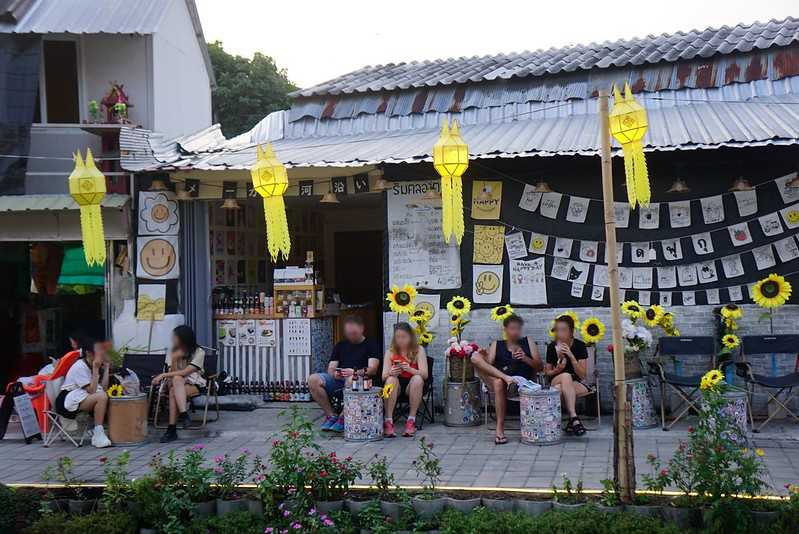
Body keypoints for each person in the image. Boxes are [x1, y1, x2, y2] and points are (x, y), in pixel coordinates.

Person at [470, 315, 542, 444]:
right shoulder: (497, 344)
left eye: (518, 329)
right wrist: (484, 356)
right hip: (500, 380)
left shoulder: (527, 342)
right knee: (475, 358)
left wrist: (525, 358)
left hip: (521, 384)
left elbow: (540, 367)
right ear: (505, 329)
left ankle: (499, 429)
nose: (515, 332)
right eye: (512, 328)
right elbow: (488, 366)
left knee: (498, 382)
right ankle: (506, 378)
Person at [308, 315, 379, 433]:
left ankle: (343, 416)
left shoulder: (371, 345)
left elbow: (373, 369)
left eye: (354, 333)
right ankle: (331, 415)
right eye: (348, 333)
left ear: (362, 329)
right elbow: (331, 367)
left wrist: (355, 372)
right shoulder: (340, 345)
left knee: (352, 379)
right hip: (340, 379)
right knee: (313, 379)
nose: (351, 336)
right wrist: (335, 373)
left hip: (362, 381)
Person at [55, 338, 112, 448]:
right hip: (67, 400)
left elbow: (103, 389)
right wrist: (95, 370)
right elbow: (92, 391)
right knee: (101, 397)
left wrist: (107, 368)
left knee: (104, 396)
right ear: (88, 353)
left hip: (82, 396)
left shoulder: (93, 364)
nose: (101, 355)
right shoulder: (79, 367)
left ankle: (99, 432)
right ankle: (98, 434)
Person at [155, 325, 207, 443]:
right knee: (176, 380)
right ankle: (184, 414)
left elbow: (186, 372)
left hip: (193, 383)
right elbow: (172, 373)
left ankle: (171, 430)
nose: (172, 339)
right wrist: (174, 359)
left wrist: (162, 375)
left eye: (175, 337)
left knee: (175, 388)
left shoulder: (199, 352)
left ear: (183, 338)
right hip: (173, 382)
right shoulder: (173, 351)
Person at [381, 322, 429, 437]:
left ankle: (411, 420)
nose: (400, 340)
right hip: (396, 386)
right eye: (398, 337)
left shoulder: (418, 350)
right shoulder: (390, 352)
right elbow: (383, 377)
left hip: (412, 386)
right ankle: (388, 421)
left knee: (418, 378)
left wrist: (409, 369)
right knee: (390, 380)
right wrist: (391, 373)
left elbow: (425, 374)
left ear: (410, 337)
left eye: (404, 337)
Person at [545, 315, 590, 436]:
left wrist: (571, 356)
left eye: (563, 329)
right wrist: (557, 370)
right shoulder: (551, 347)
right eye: (557, 330)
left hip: (576, 382)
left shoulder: (579, 346)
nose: (560, 333)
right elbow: (547, 372)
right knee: (565, 375)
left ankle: (567, 424)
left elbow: (583, 375)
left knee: (560, 389)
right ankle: (574, 417)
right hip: (556, 379)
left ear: (571, 331)